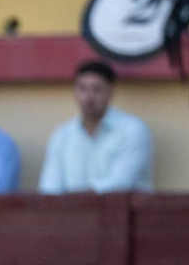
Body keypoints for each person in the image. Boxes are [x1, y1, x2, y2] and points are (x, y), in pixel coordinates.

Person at [38, 61, 154, 194]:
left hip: (122, 213)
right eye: (82, 88)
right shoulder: (62, 135)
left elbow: (120, 183)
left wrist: (75, 201)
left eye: (97, 89)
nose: (88, 97)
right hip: (72, 213)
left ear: (111, 91)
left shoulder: (133, 130)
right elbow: (49, 189)